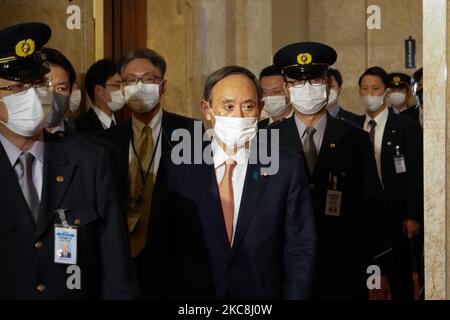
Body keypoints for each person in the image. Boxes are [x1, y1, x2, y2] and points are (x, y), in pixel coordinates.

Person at [142, 65, 316, 300]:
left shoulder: (286, 167)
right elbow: (160, 246)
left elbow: (300, 248)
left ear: (260, 109)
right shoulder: (178, 166)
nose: (239, 116)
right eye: (228, 106)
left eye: (248, 106)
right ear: (207, 109)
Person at [0, 23, 137, 299]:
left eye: (38, 84)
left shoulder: (90, 161)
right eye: (15, 88)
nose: (31, 96)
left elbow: (115, 268)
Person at [271, 42, 393, 300]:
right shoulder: (267, 141)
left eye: (315, 80)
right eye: (297, 82)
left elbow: (372, 207)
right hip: (283, 270)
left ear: (328, 84)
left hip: (343, 268)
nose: (307, 89)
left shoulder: (355, 139)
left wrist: (377, 269)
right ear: (286, 88)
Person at [97, 48, 200, 267]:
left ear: (163, 86)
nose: (140, 86)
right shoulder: (105, 141)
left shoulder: (191, 133)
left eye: (148, 79)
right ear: (123, 88)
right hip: (122, 254)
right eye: (131, 81)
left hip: (176, 253)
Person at [355, 66, 423, 300]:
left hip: (396, 213)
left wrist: (412, 214)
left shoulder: (406, 126)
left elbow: (415, 173)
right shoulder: (352, 127)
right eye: (365, 89)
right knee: (368, 275)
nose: (369, 94)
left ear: (385, 92)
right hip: (364, 215)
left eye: (375, 89)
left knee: (400, 275)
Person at [75, 59, 125, 135]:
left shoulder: (122, 125)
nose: (122, 91)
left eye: (123, 86)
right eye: (117, 85)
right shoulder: (79, 127)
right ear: (99, 91)